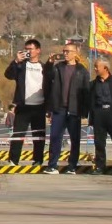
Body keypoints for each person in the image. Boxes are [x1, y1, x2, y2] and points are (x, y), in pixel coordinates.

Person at [43, 44, 89, 174]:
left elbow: (86, 92)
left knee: (75, 139)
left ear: (75, 53)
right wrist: (49, 63)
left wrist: (84, 112)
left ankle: (72, 166)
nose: (65, 53)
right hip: (59, 108)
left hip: (74, 109)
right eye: (64, 51)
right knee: (55, 137)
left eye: (68, 51)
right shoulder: (58, 67)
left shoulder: (82, 70)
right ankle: (52, 165)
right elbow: (47, 76)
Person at [5, 39, 48, 166]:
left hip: (39, 107)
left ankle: (38, 160)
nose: (28, 51)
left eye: (31, 49)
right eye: (26, 49)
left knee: (39, 136)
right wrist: (16, 61)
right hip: (23, 106)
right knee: (18, 134)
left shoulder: (43, 67)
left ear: (38, 50)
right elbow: (8, 75)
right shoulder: (21, 65)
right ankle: (13, 160)